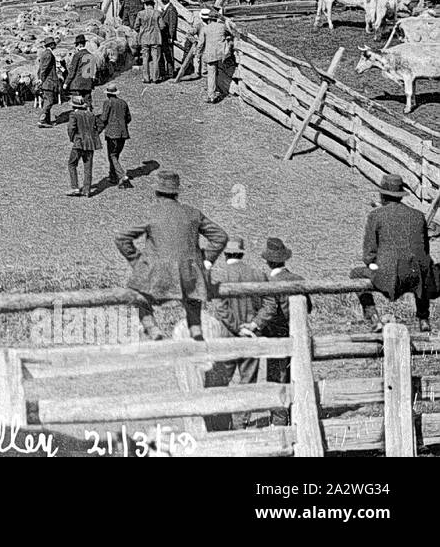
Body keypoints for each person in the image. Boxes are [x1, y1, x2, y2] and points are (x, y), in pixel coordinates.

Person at [114, 171, 229, 341]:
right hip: (190, 274)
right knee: (193, 297)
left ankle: (153, 330)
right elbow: (221, 236)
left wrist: (137, 261)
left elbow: (121, 238)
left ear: (156, 192)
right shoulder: (193, 213)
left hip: (158, 275)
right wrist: (205, 260)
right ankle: (196, 331)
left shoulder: (152, 213)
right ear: (176, 193)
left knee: (136, 296)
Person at [351, 174, 436, 332]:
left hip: (389, 275)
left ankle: (373, 318)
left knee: (356, 273)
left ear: (383, 195)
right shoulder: (418, 216)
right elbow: (424, 252)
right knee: (422, 266)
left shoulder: (375, 215)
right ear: (400, 195)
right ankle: (424, 317)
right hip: (417, 276)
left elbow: (368, 255)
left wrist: (376, 266)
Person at [239, 238, 309, 427]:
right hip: (298, 333)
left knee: (276, 378)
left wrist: (254, 324)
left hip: (277, 335)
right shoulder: (299, 280)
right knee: (297, 374)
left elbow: (268, 310)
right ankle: (298, 416)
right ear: (284, 259)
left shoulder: (270, 282)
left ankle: (279, 421)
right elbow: (308, 307)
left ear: (269, 261)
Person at [204, 236, 270, 430]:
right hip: (251, 336)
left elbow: (221, 309)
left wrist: (237, 327)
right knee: (248, 380)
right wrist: (253, 325)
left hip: (227, 337)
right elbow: (269, 304)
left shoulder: (219, 276)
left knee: (221, 380)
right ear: (242, 253)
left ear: (225, 254)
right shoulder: (258, 274)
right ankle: (241, 423)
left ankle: (221, 424)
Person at [97, 85, 133, 189]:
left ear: (108, 94)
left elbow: (104, 118)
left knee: (112, 155)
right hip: (123, 133)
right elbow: (128, 118)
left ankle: (121, 175)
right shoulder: (123, 103)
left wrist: (98, 129)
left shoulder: (107, 103)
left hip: (112, 134)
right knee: (115, 155)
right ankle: (112, 176)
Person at [65, 94, 101, 198]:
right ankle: (87, 190)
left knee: (72, 164)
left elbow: (71, 128)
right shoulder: (91, 114)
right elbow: (99, 125)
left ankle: (75, 187)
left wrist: (73, 138)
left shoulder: (74, 115)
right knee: (88, 166)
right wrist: (93, 135)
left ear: (73, 106)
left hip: (79, 142)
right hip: (90, 143)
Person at [200, 8, 233, 103]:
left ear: (209, 19)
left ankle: (211, 96)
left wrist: (198, 53)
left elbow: (201, 43)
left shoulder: (205, 28)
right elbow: (230, 32)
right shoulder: (222, 27)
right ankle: (221, 88)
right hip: (222, 54)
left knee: (211, 74)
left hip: (210, 54)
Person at [133, 0, 162, 83]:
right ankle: (155, 78)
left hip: (144, 38)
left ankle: (146, 78)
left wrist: (142, 30)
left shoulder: (140, 13)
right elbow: (162, 26)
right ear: (152, 4)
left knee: (145, 58)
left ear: (145, 4)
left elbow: (136, 26)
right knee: (155, 58)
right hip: (155, 38)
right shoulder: (157, 13)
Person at [64, 35, 95, 109]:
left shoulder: (77, 55)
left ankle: (78, 117)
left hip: (77, 83)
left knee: (77, 103)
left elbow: (72, 71)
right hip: (88, 83)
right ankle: (89, 116)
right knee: (88, 102)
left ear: (80, 44)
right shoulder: (91, 55)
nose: (76, 47)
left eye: (76, 45)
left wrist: (66, 83)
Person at [37, 37, 61, 128]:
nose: (55, 45)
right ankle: (42, 120)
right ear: (51, 45)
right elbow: (44, 69)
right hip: (48, 81)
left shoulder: (44, 53)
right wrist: (41, 79)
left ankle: (47, 121)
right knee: (49, 102)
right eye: (54, 44)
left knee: (47, 100)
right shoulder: (48, 54)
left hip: (47, 81)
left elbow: (40, 68)